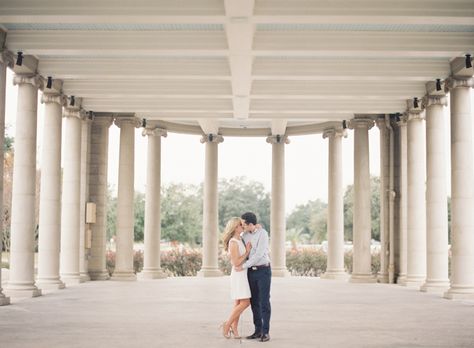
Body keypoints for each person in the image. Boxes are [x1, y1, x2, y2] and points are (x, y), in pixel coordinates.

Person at [236, 212, 271, 342]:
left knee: (264, 301)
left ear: (250, 224)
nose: (242, 226)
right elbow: (245, 253)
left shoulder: (263, 234)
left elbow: (259, 255)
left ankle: (266, 332)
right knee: (254, 302)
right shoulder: (244, 236)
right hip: (251, 272)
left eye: (243, 224)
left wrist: (243, 266)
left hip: (263, 271)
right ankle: (258, 331)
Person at [221, 217, 252, 339]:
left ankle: (234, 327)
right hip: (239, 274)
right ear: (235, 227)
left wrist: (257, 226)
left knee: (238, 303)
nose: (242, 226)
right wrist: (247, 252)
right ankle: (227, 325)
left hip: (243, 273)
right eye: (240, 224)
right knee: (246, 302)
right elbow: (236, 262)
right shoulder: (233, 242)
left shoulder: (240, 238)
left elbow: (252, 229)